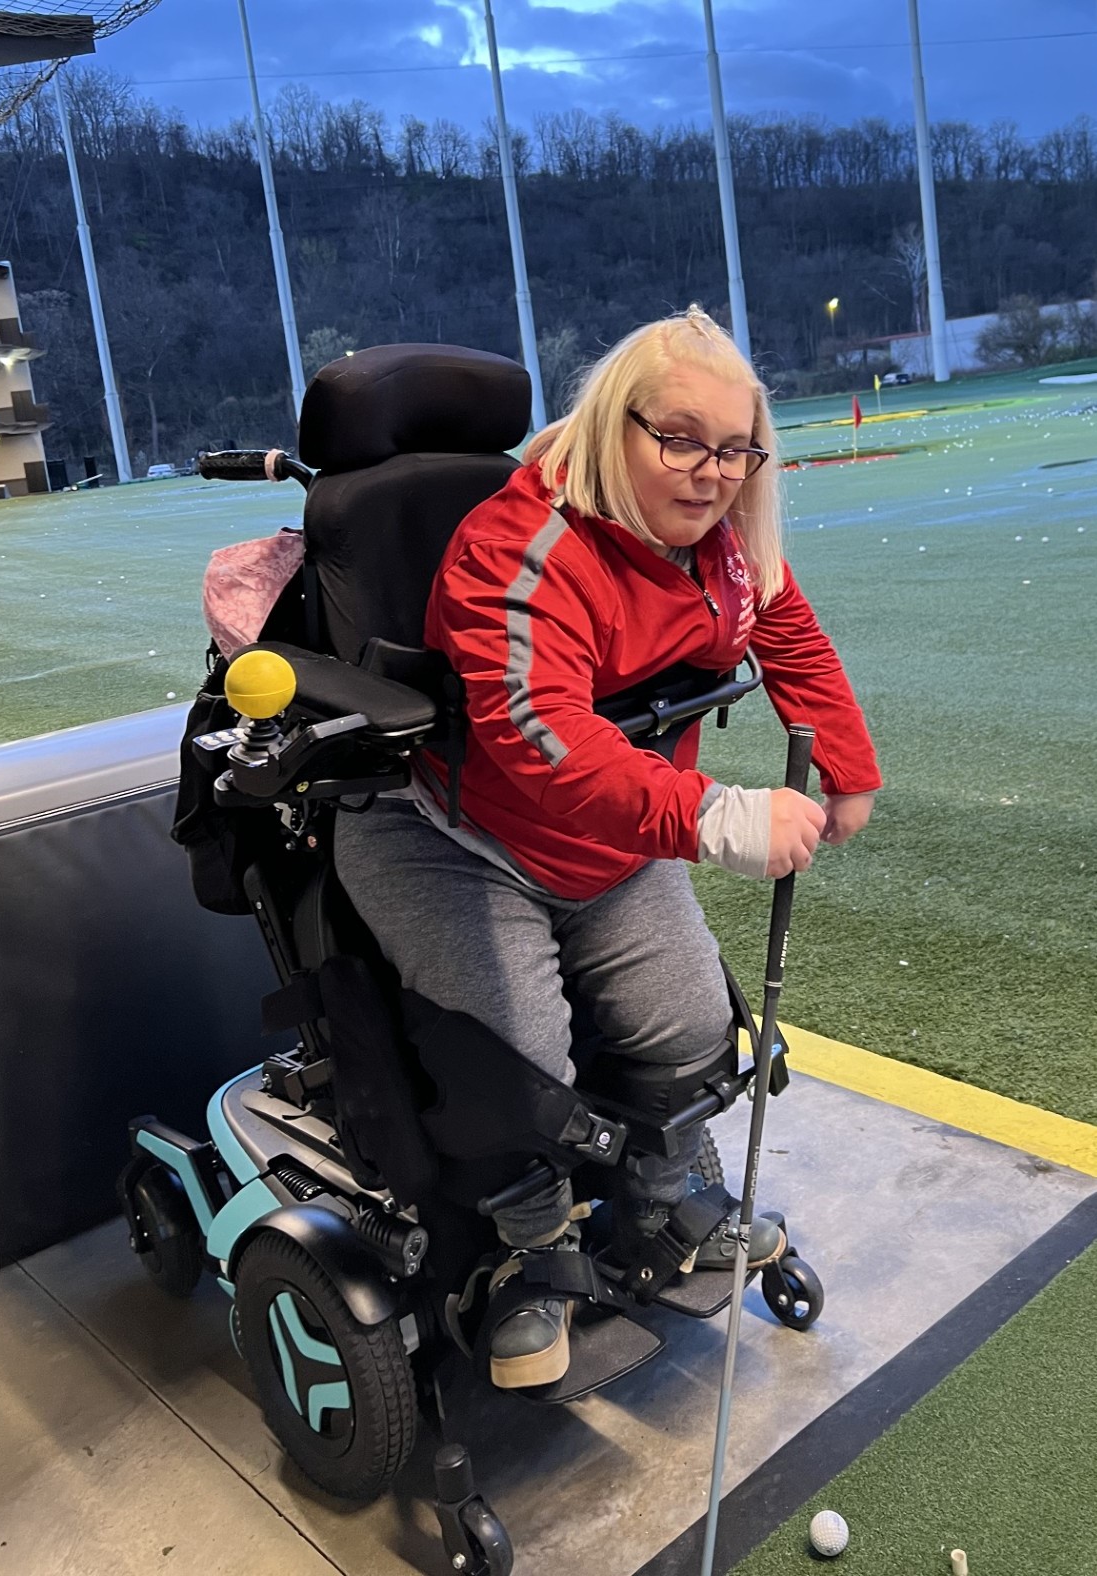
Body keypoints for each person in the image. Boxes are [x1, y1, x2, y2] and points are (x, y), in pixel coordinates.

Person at [333, 306, 880, 1390]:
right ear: (610, 424)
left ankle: (670, 1200)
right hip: (454, 836)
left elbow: (785, 630)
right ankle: (523, 1255)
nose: (711, 472)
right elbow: (543, 747)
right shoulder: (516, 547)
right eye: (679, 438)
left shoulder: (722, 547)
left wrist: (847, 765)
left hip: (603, 845)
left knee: (687, 1017)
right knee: (518, 1055)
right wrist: (720, 816)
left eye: (734, 449)